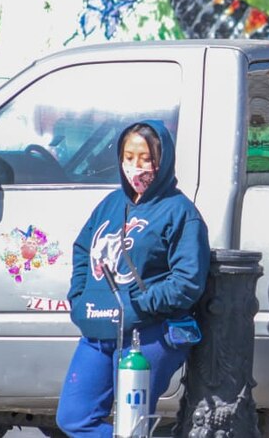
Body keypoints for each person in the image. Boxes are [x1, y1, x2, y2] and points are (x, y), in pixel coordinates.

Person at [57, 120, 210, 437]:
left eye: (146, 158)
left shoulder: (180, 212)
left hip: (148, 336)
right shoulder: (110, 204)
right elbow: (83, 248)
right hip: (97, 332)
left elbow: (187, 281)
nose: (136, 167)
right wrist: (80, 298)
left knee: (131, 425)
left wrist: (138, 304)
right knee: (74, 418)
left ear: (163, 160)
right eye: (129, 157)